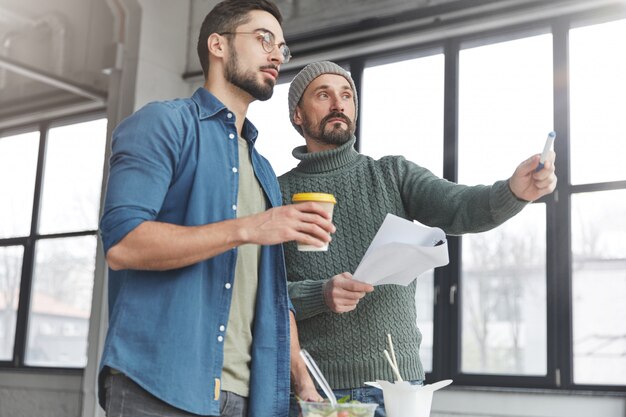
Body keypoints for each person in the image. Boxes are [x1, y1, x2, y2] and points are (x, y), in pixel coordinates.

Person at [279, 61, 557, 417]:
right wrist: (319, 294)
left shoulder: (391, 174)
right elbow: (262, 297)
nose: (339, 104)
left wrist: (514, 191)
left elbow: (461, 207)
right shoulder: (276, 192)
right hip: (317, 391)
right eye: (324, 95)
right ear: (298, 115)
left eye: (346, 95)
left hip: (399, 388)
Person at [97, 2, 330, 416]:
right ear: (218, 45)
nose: (277, 55)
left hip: (245, 398)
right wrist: (247, 228)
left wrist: (302, 379)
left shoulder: (262, 170)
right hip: (157, 387)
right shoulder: (162, 124)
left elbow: (274, 295)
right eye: (264, 39)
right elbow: (124, 245)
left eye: (282, 47)